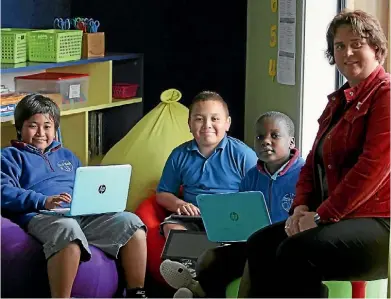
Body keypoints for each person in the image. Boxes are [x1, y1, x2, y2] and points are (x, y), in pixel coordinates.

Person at [243, 10, 390, 298]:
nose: (347, 52)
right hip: (339, 219)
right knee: (260, 243)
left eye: (357, 43)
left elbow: (373, 167)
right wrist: (300, 208)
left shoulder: (385, 96)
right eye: (339, 46)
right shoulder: (339, 101)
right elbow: (312, 162)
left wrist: (322, 216)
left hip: (380, 224)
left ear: (377, 48)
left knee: (295, 252)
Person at [1, 94, 148, 298]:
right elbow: (3, 192)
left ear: (56, 129)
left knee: (131, 223)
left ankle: (136, 292)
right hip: (41, 214)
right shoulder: (9, 156)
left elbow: (86, 184)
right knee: (68, 230)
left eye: (47, 126)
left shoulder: (67, 156)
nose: (41, 133)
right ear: (20, 128)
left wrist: (99, 201)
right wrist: (43, 201)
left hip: (79, 212)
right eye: (33, 126)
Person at [160, 111, 305, 297]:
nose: (266, 141)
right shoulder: (252, 176)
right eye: (260, 136)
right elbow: (242, 216)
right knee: (209, 259)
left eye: (274, 136)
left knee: (253, 265)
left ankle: (196, 291)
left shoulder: (304, 174)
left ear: (291, 142)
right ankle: (197, 288)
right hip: (252, 242)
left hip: (286, 246)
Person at [156, 91, 258, 237]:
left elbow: (257, 196)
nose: (207, 125)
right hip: (192, 218)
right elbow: (162, 193)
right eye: (199, 119)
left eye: (215, 119)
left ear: (227, 123)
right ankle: (187, 259)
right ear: (189, 124)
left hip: (230, 217)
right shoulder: (179, 154)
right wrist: (180, 204)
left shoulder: (243, 155)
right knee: (171, 227)